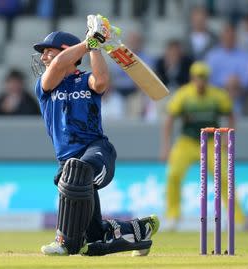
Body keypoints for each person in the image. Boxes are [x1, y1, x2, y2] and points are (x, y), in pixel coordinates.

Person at [31, 15, 159, 256]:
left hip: (97, 151)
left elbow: (100, 81)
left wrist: (95, 47)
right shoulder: (45, 85)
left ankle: (64, 242)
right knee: (94, 234)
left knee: (76, 171)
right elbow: (58, 66)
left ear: (67, 52)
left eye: (48, 51)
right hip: (68, 162)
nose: (43, 57)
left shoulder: (84, 80)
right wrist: (91, 41)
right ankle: (140, 230)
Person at [160, 61, 246, 231]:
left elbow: (230, 115)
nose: (200, 81)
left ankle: (236, 218)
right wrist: (166, 145)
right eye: (198, 78)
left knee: (224, 177)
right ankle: (172, 216)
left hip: (211, 142)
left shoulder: (217, 96)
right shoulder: (183, 95)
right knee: (173, 175)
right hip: (187, 141)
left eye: (204, 78)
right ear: (192, 78)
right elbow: (170, 119)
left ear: (208, 79)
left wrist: (225, 140)